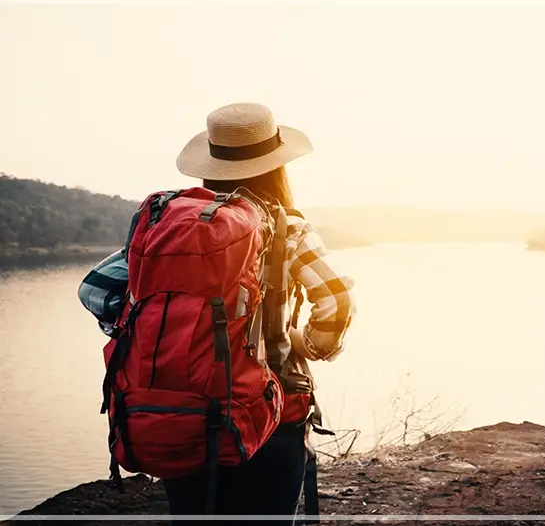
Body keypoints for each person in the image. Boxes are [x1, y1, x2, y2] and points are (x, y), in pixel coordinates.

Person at [77, 102, 356, 524]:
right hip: (272, 413)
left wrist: (152, 330)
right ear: (276, 167)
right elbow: (336, 299)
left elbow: (94, 290)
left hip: (182, 413)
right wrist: (310, 345)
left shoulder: (172, 228)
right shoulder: (287, 226)